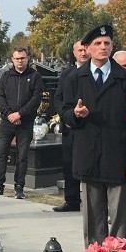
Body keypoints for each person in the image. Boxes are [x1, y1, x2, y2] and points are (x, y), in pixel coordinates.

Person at [62, 25, 126, 252]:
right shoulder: (76, 78)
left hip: (118, 156)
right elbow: (64, 111)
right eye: (97, 43)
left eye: (107, 43)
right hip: (88, 155)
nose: (103, 47)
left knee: (120, 217)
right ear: (87, 48)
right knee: (92, 216)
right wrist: (75, 115)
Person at [0, 47, 43, 199]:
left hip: (25, 122)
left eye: (22, 58)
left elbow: (36, 99)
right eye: (17, 58)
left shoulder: (35, 77)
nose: (20, 61)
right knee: (1, 153)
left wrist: (20, 114)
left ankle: (19, 187)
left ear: (27, 59)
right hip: (7, 122)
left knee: (22, 156)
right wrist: (9, 114)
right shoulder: (6, 76)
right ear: (12, 59)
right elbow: (0, 97)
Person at [52, 40, 88, 212]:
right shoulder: (67, 74)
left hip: (88, 126)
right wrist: (66, 116)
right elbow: (58, 98)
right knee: (69, 164)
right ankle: (72, 200)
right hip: (69, 126)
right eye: (79, 50)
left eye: (85, 49)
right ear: (74, 52)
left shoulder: (93, 73)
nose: (83, 53)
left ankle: (90, 202)